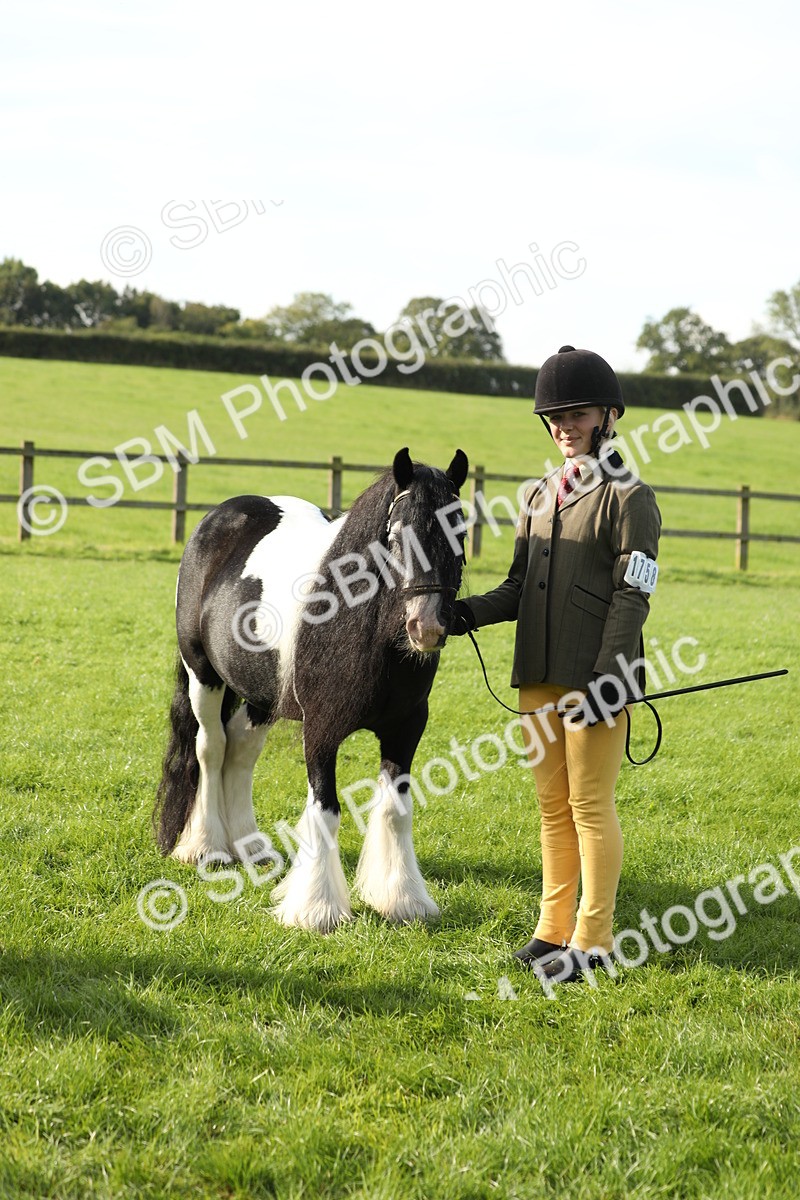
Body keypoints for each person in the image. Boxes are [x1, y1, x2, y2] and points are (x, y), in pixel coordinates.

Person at [451, 345, 661, 985]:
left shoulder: (630, 496)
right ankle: (551, 930)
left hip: (596, 680)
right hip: (536, 674)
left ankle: (594, 942)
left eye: (576, 413)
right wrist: (463, 614)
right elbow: (517, 588)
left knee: (590, 805)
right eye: (554, 416)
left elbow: (635, 591)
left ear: (608, 415)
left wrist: (609, 677)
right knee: (552, 806)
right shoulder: (539, 495)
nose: (564, 425)